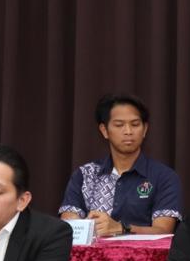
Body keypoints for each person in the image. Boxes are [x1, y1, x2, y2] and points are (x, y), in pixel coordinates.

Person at [59, 94, 182, 237]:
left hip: (142, 252)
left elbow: (164, 231)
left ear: (145, 129)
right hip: (92, 252)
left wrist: (122, 228)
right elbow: (68, 226)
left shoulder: (164, 177)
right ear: (104, 130)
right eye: (119, 125)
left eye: (135, 124)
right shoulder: (85, 174)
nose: (128, 131)